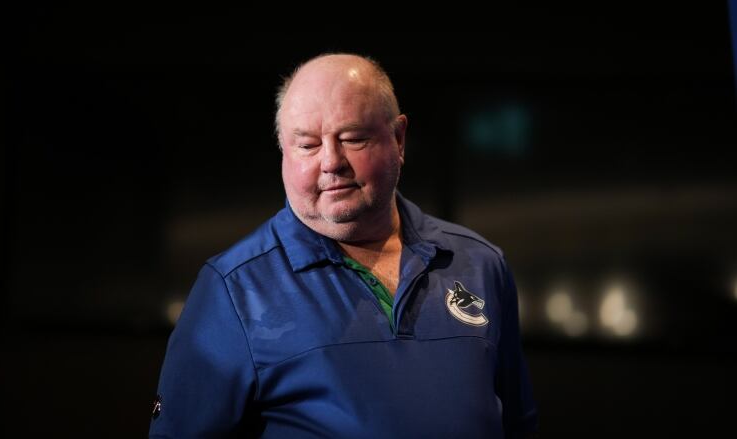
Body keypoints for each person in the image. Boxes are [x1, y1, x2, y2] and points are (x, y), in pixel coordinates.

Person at [149, 53, 538, 438]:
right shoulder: (234, 289)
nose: (331, 162)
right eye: (307, 145)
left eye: (353, 139)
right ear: (283, 152)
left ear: (399, 139)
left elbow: (516, 423)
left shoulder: (479, 263)